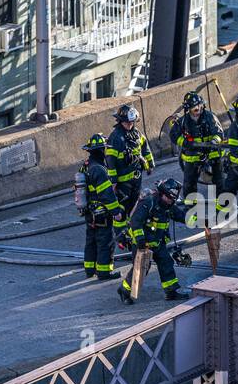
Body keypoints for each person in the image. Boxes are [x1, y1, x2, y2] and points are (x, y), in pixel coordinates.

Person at [118, 178, 192, 305]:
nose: (171, 201)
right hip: (142, 243)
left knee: (166, 262)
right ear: (162, 194)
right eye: (169, 198)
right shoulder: (148, 202)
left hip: (157, 242)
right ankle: (124, 290)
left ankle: (171, 292)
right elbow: (136, 222)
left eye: (173, 199)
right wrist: (140, 240)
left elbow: (182, 216)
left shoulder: (169, 206)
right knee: (141, 269)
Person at [78, 134, 125, 280]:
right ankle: (104, 272)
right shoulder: (99, 169)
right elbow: (106, 194)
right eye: (104, 149)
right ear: (100, 151)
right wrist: (116, 211)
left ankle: (89, 269)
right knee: (105, 241)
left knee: (91, 241)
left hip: (89, 212)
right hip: (101, 213)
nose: (105, 152)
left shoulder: (86, 166)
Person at [168, 91, 221, 200]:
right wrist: (185, 142)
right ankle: (190, 206)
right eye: (195, 109)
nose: (199, 110)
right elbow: (173, 135)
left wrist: (214, 142)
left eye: (200, 107)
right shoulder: (183, 121)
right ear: (189, 110)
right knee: (189, 182)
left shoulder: (210, 117)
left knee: (219, 180)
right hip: (192, 156)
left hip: (212, 153)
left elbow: (219, 133)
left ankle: (222, 203)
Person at [106, 103, 154, 216]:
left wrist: (150, 164)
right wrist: (113, 180)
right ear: (120, 121)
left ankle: (132, 229)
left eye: (132, 122)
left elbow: (145, 148)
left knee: (135, 206)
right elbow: (110, 161)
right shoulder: (115, 137)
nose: (130, 124)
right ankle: (121, 231)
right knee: (123, 208)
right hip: (123, 182)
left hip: (137, 179)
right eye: (128, 122)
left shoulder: (137, 133)